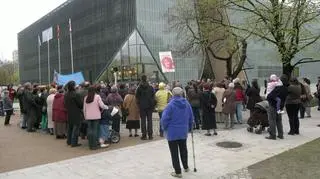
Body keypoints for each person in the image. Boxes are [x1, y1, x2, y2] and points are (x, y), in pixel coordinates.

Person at [161, 87, 193, 178]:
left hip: (172, 132)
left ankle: (178, 172)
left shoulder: (170, 105)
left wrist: (164, 127)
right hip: (183, 131)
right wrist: (190, 126)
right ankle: (186, 167)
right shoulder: (186, 103)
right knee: (184, 149)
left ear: (173, 94)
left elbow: (164, 119)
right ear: (182, 94)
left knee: (174, 152)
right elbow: (191, 116)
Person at [266, 75, 289, 140]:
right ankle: (280, 135)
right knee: (279, 120)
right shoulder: (286, 88)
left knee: (272, 120)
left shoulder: (278, 88)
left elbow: (270, 96)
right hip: (280, 106)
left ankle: (273, 135)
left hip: (273, 105)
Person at [136, 75, 156, 140]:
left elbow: (137, 97)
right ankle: (150, 135)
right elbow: (153, 96)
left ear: (141, 79)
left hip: (142, 106)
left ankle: (144, 135)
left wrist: (139, 104)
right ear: (146, 79)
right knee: (150, 120)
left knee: (143, 120)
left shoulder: (139, 88)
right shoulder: (150, 87)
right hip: (149, 105)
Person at [64, 81, 83, 147]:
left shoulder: (66, 94)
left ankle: (69, 141)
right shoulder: (76, 94)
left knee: (70, 128)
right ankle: (74, 142)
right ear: (73, 86)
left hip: (69, 112)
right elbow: (80, 104)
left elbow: (65, 104)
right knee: (76, 128)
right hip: (76, 112)